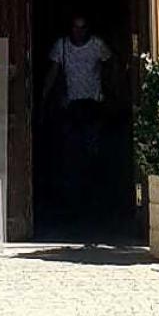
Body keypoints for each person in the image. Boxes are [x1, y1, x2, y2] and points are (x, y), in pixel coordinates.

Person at [41, 13, 114, 222]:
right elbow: (53, 73)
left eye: (82, 28)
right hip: (71, 106)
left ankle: (94, 202)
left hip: (93, 105)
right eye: (75, 27)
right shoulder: (62, 46)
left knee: (94, 153)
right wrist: (44, 99)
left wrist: (113, 94)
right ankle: (74, 204)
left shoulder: (97, 45)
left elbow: (111, 68)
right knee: (70, 155)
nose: (79, 32)